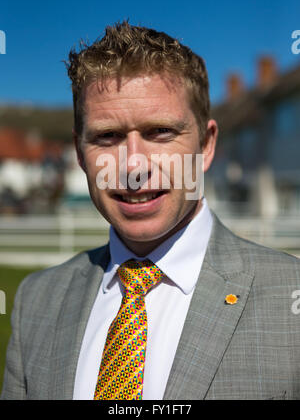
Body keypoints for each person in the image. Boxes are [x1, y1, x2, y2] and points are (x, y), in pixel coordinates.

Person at [1, 21, 300, 400]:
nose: (133, 166)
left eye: (160, 133)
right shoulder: (37, 301)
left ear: (206, 146)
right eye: (107, 136)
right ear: (79, 153)